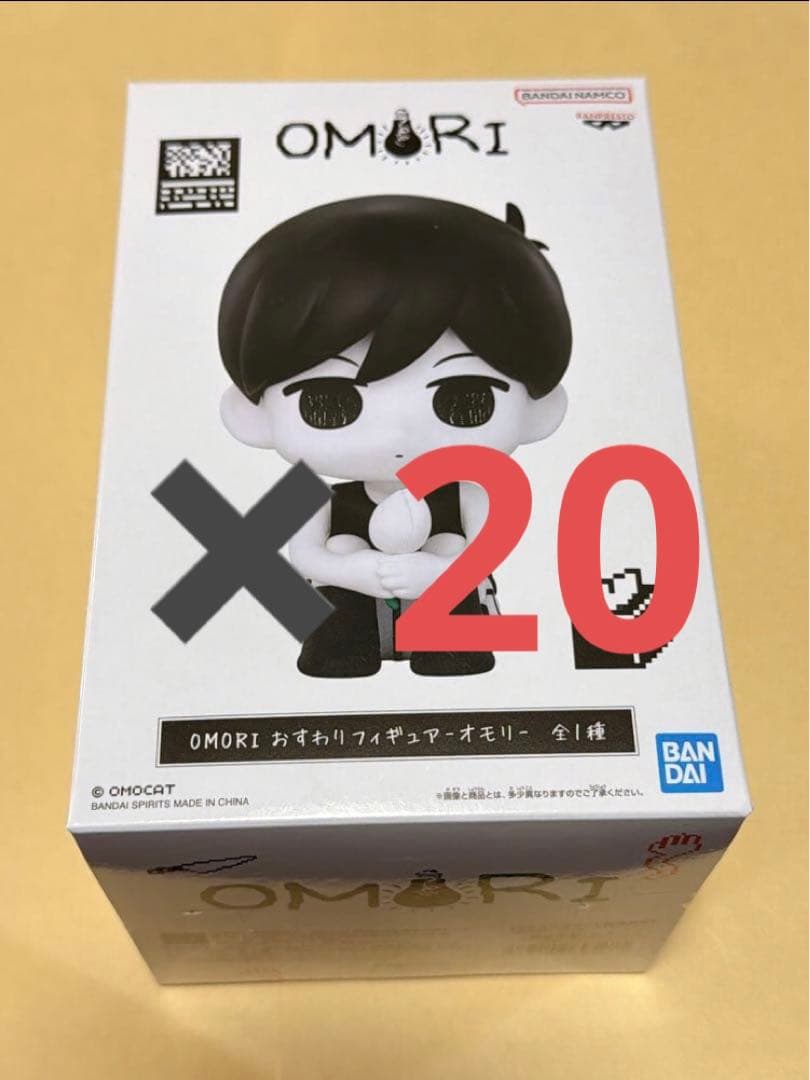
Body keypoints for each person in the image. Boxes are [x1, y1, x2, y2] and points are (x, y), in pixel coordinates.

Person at [218, 194, 572, 677]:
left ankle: (451, 646)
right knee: (341, 549)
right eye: (331, 402)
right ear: (252, 416)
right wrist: (352, 571)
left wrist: (438, 573)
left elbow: (489, 550)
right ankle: (344, 646)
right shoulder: (313, 496)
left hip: (446, 591)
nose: (396, 431)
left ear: (537, 410)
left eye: (464, 398)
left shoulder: (470, 494)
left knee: (449, 546)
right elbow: (306, 555)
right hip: (352, 596)